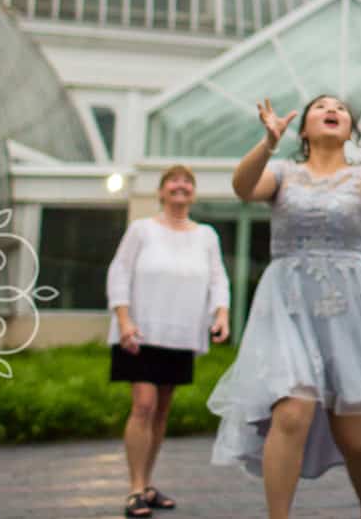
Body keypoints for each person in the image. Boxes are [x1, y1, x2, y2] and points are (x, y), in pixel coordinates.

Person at [210, 89, 361, 519]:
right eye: (320, 107)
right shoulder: (280, 172)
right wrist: (267, 143)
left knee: (356, 437)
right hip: (287, 304)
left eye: (340, 109)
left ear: (351, 129)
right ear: (304, 129)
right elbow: (242, 187)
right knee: (291, 413)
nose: (331, 110)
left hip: (349, 309)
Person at [107, 164, 231, 519]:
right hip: (140, 332)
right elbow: (119, 272)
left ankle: (147, 483)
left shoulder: (206, 235)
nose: (181, 186)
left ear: (193, 193)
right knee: (143, 405)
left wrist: (220, 313)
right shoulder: (141, 230)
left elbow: (218, 278)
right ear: (161, 192)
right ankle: (134, 489)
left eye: (188, 182)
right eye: (173, 181)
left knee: (161, 410)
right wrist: (124, 320)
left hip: (181, 333)